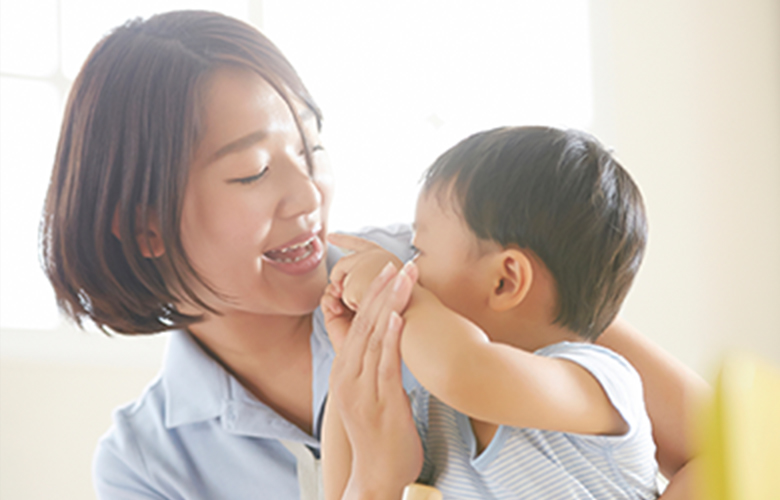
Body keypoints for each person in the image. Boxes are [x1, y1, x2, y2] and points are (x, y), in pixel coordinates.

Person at [39, 10, 705, 500]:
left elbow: (737, 450)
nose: (308, 196)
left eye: (311, 151)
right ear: (146, 227)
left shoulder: (448, 275)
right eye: (251, 171)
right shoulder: (147, 467)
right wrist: (373, 485)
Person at [322, 126, 697, 499]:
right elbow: (343, 489)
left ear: (505, 281)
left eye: (418, 253)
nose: (409, 271)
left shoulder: (597, 380)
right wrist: (354, 361)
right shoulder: (437, 411)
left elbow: (464, 369)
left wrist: (388, 289)